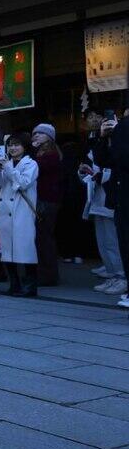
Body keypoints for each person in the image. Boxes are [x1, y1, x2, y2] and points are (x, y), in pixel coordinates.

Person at [0, 133, 39, 296]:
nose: (13, 148)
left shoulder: (31, 164)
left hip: (22, 211)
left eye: (17, 144)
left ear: (25, 146)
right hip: (4, 211)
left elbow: (23, 183)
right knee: (7, 249)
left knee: (25, 247)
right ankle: (14, 284)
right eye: (10, 145)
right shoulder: (7, 163)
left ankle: (30, 286)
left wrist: (7, 167)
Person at [79, 131, 126, 295]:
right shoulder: (97, 150)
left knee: (113, 243)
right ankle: (112, 274)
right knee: (104, 242)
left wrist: (98, 176)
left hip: (111, 202)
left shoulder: (119, 152)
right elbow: (90, 172)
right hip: (97, 201)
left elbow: (115, 174)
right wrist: (85, 172)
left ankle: (121, 276)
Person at [94, 115, 129, 309]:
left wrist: (119, 133)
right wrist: (103, 138)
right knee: (117, 241)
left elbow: (122, 157)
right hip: (119, 196)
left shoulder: (123, 130)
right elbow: (104, 160)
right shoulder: (119, 133)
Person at [32, 123, 62, 286]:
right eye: (35, 133)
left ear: (50, 137)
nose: (36, 135)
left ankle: (47, 274)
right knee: (42, 237)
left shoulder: (51, 155)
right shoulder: (41, 153)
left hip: (47, 200)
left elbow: (36, 169)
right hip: (43, 199)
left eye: (41, 133)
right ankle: (45, 272)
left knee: (44, 237)